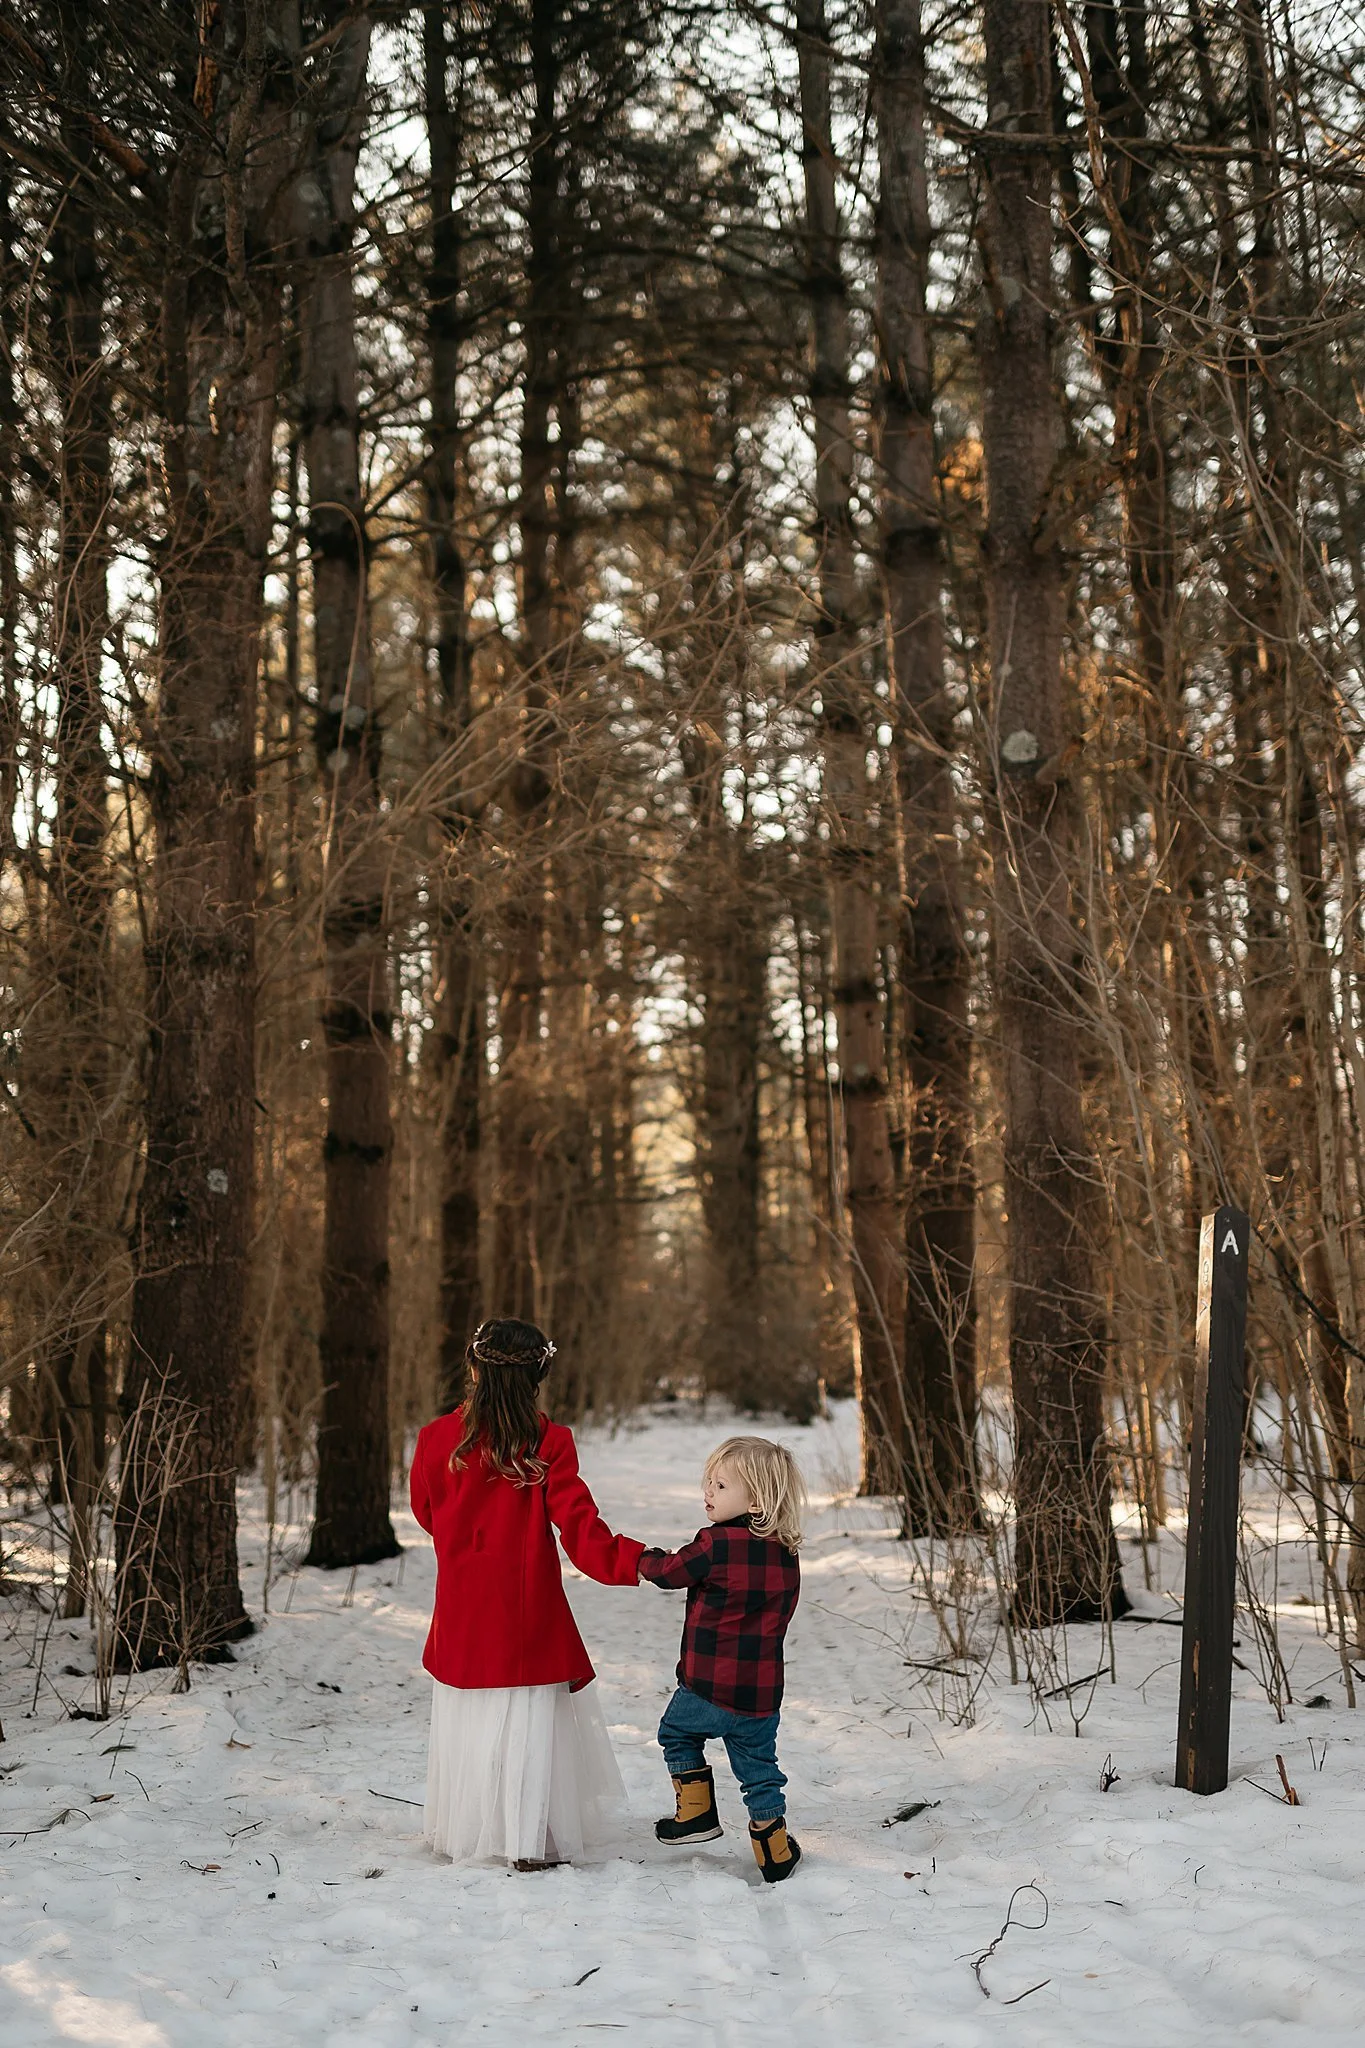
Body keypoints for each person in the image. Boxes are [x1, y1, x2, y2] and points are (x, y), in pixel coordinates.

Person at [409, 1316, 644, 1870]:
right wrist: (641, 1563)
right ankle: (524, 1842)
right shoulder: (548, 1442)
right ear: (541, 1372)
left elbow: (427, 1512)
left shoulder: (436, 1440)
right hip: (525, 1612)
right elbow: (581, 1529)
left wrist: (471, 1549)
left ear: (473, 1368)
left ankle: (466, 1830)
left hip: (463, 1611)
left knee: (471, 1720)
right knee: (527, 1724)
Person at [638, 1435, 805, 1883]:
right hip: (760, 1696)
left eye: (722, 1486)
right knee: (760, 1770)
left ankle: (696, 1812)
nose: (708, 1493)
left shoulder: (714, 1544)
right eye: (709, 1483)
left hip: (707, 1685)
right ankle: (773, 1850)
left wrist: (643, 1558)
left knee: (675, 1733)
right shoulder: (787, 1554)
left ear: (757, 1501)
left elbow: (671, 1573)